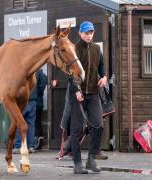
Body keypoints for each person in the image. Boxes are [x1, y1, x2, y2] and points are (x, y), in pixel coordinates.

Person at [70, 21, 107, 174]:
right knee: (77, 129)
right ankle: (77, 163)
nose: (88, 35)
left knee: (98, 125)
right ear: (80, 33)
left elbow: (101, 67)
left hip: (92, 92)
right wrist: (76, 90)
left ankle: (91, 160)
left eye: (91, 32)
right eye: (86, 32)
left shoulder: (97, 48)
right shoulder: (75, 49)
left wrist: (104, 77)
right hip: (78, 93)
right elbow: (70, 72)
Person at [13, 69, 46, 154]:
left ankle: (18, 146)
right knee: (31, 124)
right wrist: (37, 93)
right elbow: (43, 83)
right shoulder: (38, 71)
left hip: (22, 100)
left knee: (19, 122)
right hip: (33, 100)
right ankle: (30, 146)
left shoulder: (22, 69)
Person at [34, 69, 47, 151]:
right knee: (37, 122)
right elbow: (41, 88)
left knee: (36, 122)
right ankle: (39, 142)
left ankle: (38, 143)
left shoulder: (39, 74)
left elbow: (41, 89)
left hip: (36, 101)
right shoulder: (43, 75)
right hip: (39, 102)